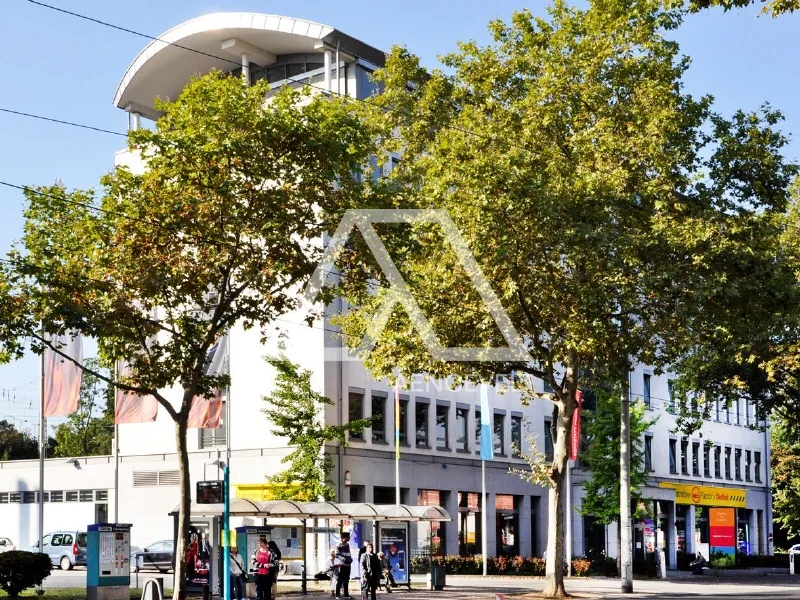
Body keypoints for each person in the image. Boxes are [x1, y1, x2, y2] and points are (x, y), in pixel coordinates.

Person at [335, 532, 353, 600]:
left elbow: (349, 553)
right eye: (347, 537)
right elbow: (336, 554)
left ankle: (346, 595)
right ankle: (337, 595)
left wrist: (350, 559)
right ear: (343, 538)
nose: (348, 538)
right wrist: (344, 559)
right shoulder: (339, 545)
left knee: (346, 580)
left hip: (348, 565)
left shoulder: (347, 544)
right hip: (342, 565)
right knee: (340, 581)